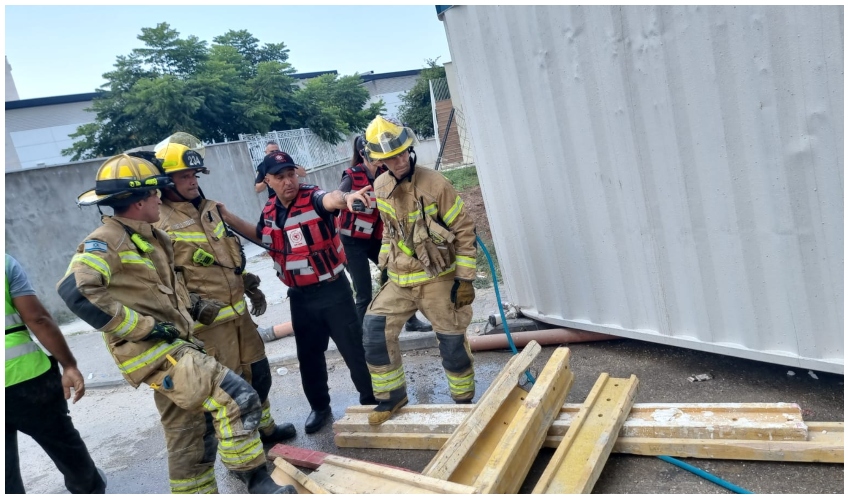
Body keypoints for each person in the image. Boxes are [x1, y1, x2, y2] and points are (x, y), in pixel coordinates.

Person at [56, 154, 295, 494]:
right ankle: (256, 480)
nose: (160, 197)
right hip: (154, 352)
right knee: (236, 396)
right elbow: (75, 289)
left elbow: (169, 289)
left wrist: (199, 307)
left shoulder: (152, 237)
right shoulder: (107, 240)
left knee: (190, 434)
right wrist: (142, 327)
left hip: (177, 345)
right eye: (155, 193)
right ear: (139, 201)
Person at [217, 150, 378, 434]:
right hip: (301, 297)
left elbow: (330, 199)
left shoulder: (313, 197)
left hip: (334, 292)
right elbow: (261, 236)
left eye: (291, 174)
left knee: (354, 351)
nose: (288, 181)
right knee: (309, 358)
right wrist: (227, 217)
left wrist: (347, 198)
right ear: (267, 180)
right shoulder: (269, 211)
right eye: (280, 177)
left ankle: (371, 402)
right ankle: (320, 408)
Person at [152, 132, 296, 446]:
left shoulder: (209, 209)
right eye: (184, 176)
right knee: (231, 390)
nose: (193, 181)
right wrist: (191, 304)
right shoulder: (159, 224)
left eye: (194, 175)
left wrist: (247, 283)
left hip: (240, 317)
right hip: (209, 328)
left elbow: (228, 253)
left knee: (259, 375)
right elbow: (161, 282)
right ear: (165, 182)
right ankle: (242, 452)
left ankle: (265, 428)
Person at [360, 116, 478, 425]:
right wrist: (385, 265)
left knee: (451, 342)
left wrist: (464, 279)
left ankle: (464, 403)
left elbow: (464, 230)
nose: (397, 161)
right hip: (401, 280)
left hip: (437, 277)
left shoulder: (435, 184)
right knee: (374, 330)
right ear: (379, 160)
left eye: (400, 153)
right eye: (388, 157)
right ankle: (391, 397)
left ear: (409, 149)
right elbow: (390, 231)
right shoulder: (381, 186)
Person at [6, 254, 107, 495]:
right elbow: (37, 319)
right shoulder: (5, 264)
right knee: (67, 450)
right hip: (26, 381)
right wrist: (69, 365)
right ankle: (87, 489)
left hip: (25, 380)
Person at [337, 135, 433, 332]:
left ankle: (410, 320)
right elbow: (338, 199)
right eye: (371, 153)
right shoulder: (351, 175)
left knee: (396, 276)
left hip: (377, 237)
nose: (376, 157)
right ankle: (362, 336)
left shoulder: (385, 173)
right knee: (363, 291)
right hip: (353, 241)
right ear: (363, 154)